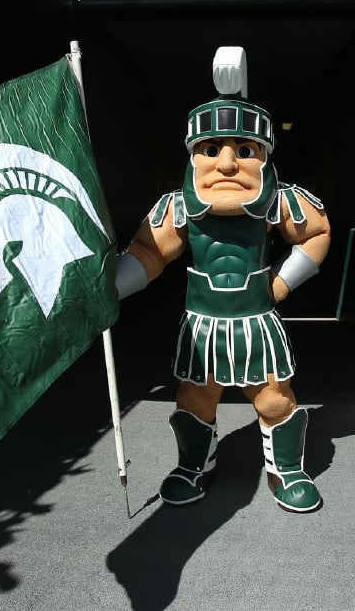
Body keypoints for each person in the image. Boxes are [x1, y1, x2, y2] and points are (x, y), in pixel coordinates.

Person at [115, 46, 331, 513]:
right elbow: (149, 252)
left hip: (257, 322)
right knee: (195, 397)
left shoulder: (280, 201)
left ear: (264, 156)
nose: (228, 164)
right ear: (193, 155)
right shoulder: (176, 206)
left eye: (245, 150)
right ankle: (194, 466)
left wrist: (282, 282)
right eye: (212, 150)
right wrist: (112, 287)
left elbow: (316, 233)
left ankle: (288, 469)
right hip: (202, 326)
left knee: (274, 398)